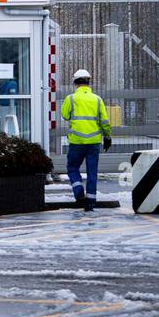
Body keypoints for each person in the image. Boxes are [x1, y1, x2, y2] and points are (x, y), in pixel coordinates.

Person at [61, 69, 112, 211]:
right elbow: (105, 121)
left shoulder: (70, 98)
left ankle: (79, 194)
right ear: (89, 81)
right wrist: (107, 136)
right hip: (94, 142)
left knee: (72, 168)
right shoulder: (97, 99)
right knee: (92, 171)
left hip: (76, 141)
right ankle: (90, 202)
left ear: (75, 82)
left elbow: (65, 115)